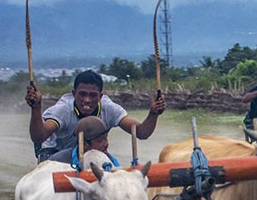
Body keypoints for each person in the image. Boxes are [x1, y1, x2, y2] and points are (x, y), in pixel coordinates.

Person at [25, 69, 166, 163]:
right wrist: (36, 107)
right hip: (56, 154)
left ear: (100, 96)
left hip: (92, 154)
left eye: (92, 95)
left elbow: (141, 132)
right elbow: (39, 136)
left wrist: (153, 114)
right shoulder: (62, 110)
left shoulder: (109, 109)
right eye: (82, 94)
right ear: (74, 94)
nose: (87, 100)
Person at [48, 116, 120, 168]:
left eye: (106, 138)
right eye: (100, 140)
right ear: (85, 144)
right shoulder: (58, 160)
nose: (106, 144)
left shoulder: (111, 161)